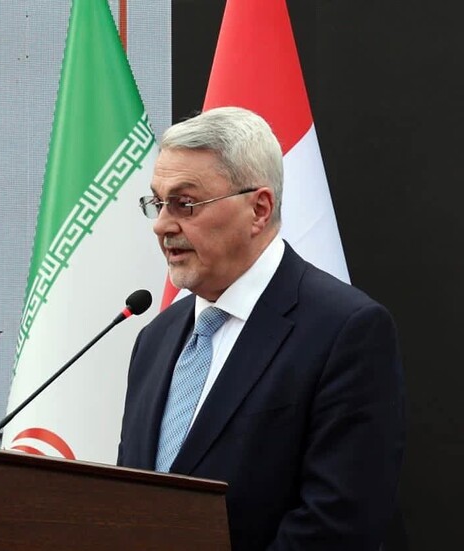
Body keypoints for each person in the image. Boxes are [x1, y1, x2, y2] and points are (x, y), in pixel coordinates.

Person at [117, 107, 405, 551]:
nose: (162, 225)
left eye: (184, 203)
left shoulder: (345, 331)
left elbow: (338, 525)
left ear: (259, 209)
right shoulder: (155, 339)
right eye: (157, 203)